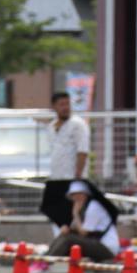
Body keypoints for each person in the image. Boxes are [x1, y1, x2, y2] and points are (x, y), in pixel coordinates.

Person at [39, 91, 90, 229]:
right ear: (54, 106)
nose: (65, 107)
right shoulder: (51, 127)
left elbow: (83, 150)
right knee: (57, 214)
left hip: (73, 178)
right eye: (61, 104)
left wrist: (78, 175)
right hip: (57, 177)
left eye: (67, 104)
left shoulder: (78, 124)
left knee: (75, 215)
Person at [46, 179, 120, 262]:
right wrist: (66, 229)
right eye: (73, 195)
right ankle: (44, 258)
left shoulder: (94, 206)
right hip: (94, 243)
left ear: (85, 194)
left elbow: (83, 233)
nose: (76, 197)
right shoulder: (81, 208)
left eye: (79, 194)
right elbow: (74, 229)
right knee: (64, 236)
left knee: (68, 239)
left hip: (107, 248)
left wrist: (75, 214)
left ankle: (47, 262)